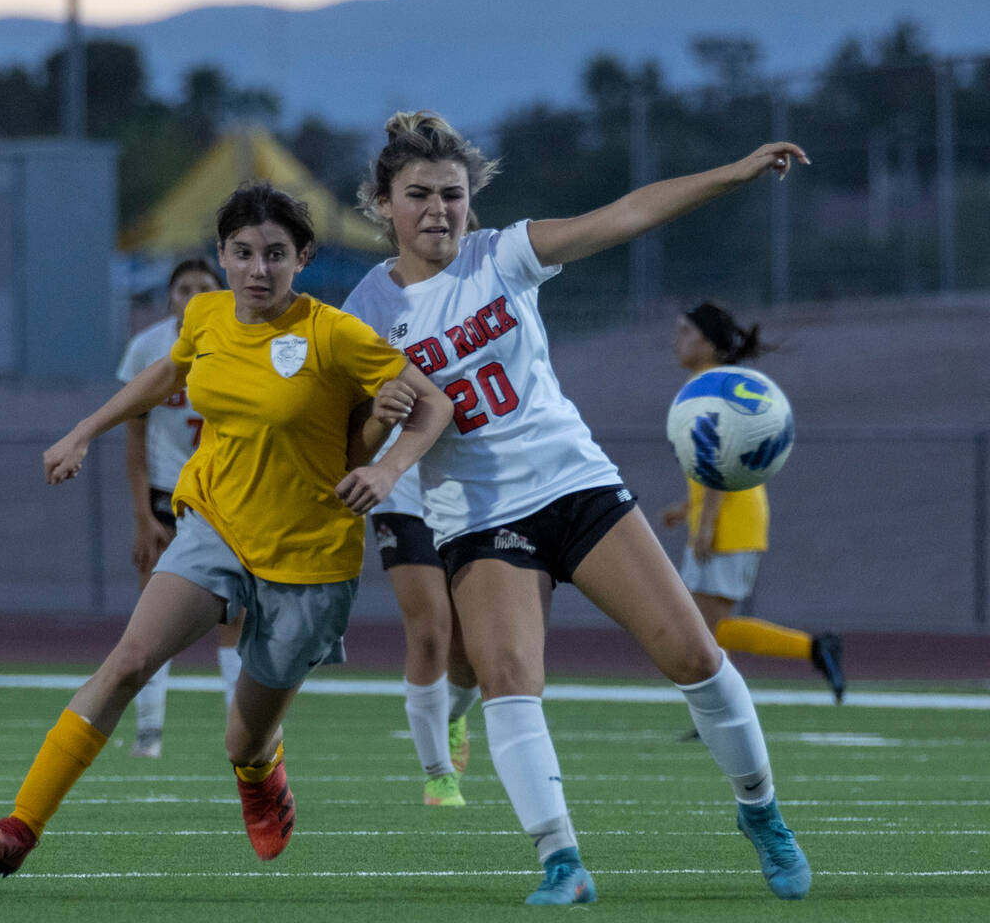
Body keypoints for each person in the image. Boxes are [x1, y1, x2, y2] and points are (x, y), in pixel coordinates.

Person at [343, 111, 814, 905]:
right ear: (383, 204)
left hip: (575, 485)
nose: (438, 210)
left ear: (471, 200)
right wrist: (374, 424)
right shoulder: (361, 311)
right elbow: (350, 441)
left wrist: (732, 173)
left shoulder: (503, 254)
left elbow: (626, 214)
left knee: (694, 656)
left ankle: (761, 811)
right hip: (479, 519)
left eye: (452, 194)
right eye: (418, 194)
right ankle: (562, 861)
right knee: (509, 679)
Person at [0, 181, 452, 876]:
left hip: (308, 556)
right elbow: (168, 372)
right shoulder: (207, 315)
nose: (258, 269)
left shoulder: (334, 333)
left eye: (275, 254)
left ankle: (259, 771)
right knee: (129, 662)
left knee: (242, 741)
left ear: (303, 257)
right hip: (213, 523)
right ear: (222, 255)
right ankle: (21, 826)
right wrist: (84, 431)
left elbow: (434, 404)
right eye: (243, 252)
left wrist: (388, 468)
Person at [661, 301, 845, 704]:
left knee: (708, 631)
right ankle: (725, 708)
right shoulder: (710, 384)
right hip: (726, 515)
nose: (676, 341)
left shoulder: (711, 388)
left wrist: (706, 523)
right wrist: (687, 509)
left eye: (686, 332)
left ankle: (814, 649)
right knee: (706, 631)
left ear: (709, 344)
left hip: (729, 521)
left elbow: (721, 464)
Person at [117, 257, 246, 758]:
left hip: (226, 493)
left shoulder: (240, 339)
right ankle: (149, 731)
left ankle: (240, 734)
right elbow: (134, 436)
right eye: (183, 288)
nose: (193, 297)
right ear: (169, 298)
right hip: (167, 491)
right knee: (153, 617)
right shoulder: (149, 347)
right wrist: (141, 515)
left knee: (235, 615)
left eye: (204, 287)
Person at [370, 465, 480, 806]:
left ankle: (451, 716)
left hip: (471, 487)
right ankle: (439, 775)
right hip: (402, 491)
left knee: (469, 648)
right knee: (429, 631)